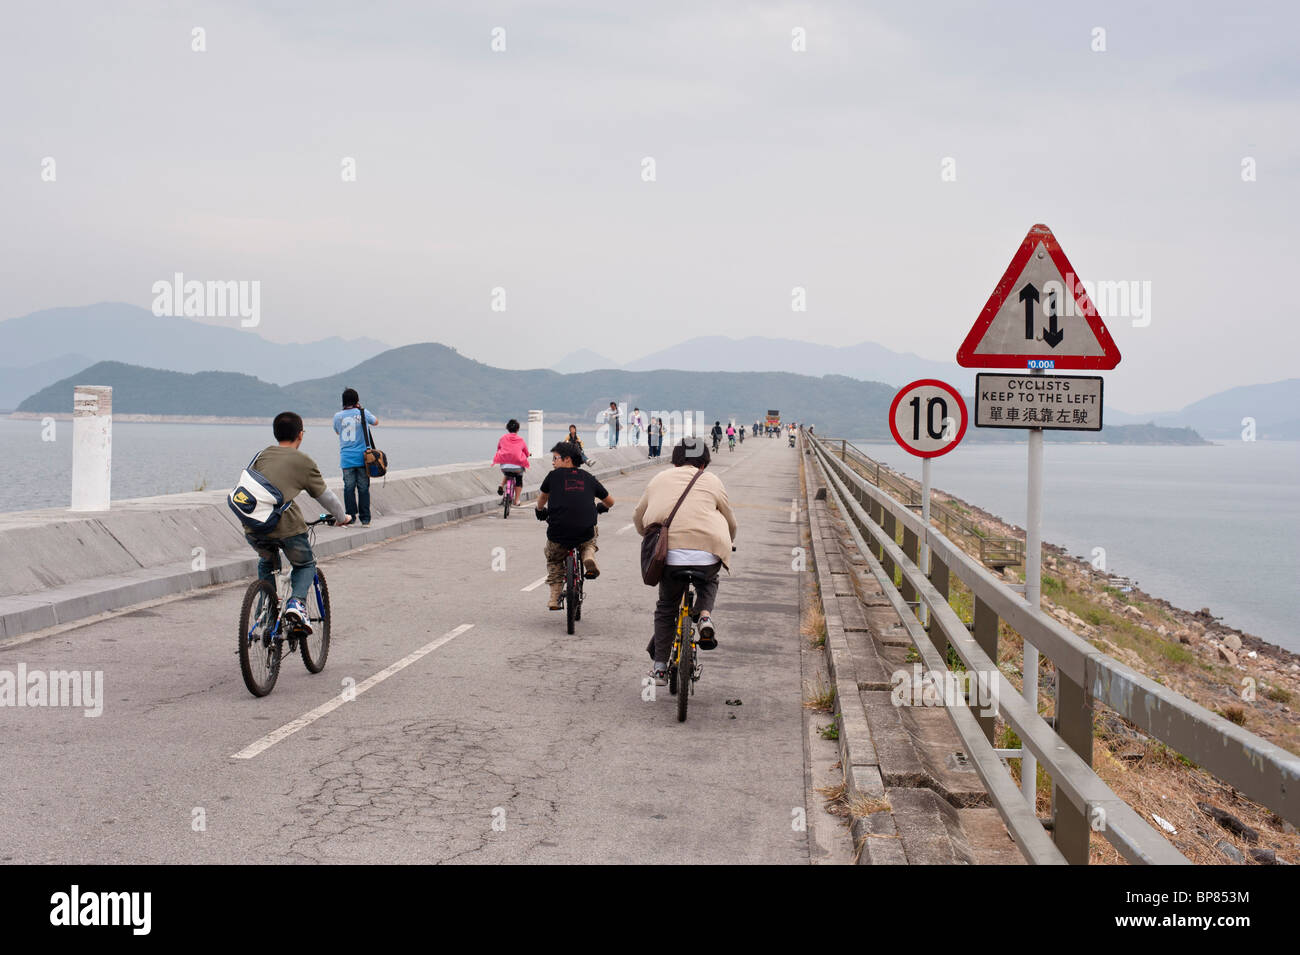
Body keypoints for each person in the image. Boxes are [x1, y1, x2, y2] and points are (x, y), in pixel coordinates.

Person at [634, 437, 737, 685]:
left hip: (669, 556)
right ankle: (703, 616)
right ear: (704, 462)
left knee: (667, 606)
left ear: (676, 459)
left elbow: (639, 517)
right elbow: (730, 521)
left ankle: (659, 668)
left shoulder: (660, 478)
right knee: (709, 580)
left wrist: (648, 536)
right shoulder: (712, 480)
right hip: (707, 553)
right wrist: (727, 541)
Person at [245, 412, 353, 634]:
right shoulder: (302, 461)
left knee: (267, 561)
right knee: (305, 564)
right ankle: (296, 604)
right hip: (285, 527)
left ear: (276, 433)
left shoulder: (261, 455)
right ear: (300, 435)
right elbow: (327, 498)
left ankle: (265, 613)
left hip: (254, 525)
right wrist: (342, 518)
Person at [535, 442, 614, 610]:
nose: (553, 462)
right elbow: (610, 501)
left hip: (558, 532)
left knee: (554, 558)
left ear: (567, 459)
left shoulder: (552, 476)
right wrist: (601, 508)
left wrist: (540, 511)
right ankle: (588, 555)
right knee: (589, 538)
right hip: (584, 529)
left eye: (555, 458)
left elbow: (542, 500)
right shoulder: (588, 478)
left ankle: (555, 597)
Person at [333, 388, 378, 526]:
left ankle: (351, 516)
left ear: (343, 401)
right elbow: (375, 422)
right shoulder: (363, 413)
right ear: (357, 400)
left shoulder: (338, 416)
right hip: (363, 459)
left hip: (346, 458)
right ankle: (365, 518)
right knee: (363, 488)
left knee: (348, 488)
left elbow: (337, 431)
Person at [492, 418, 530, 506]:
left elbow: (498, 449)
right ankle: (516, 500)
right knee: (519, 478)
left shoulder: (502, 438)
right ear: (518, 429)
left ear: (508, 428)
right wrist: (527, 455)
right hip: (517, 467)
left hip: (505, 466)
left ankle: (502, 485)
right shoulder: (520, 439)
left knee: (507, 472)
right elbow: (526, 453)